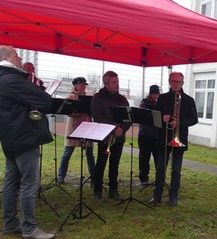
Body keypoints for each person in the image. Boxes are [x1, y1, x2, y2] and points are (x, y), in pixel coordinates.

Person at [0, 45, 55, 239]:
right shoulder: (12, 79)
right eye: (17, 55)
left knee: (11, 182)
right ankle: (29, 228)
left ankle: (10, 223)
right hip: (24, 135)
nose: (20, 59)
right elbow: (44, 101)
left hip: (10, 136)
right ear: (7, 58)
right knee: (29, 183)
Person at [149, 72, 198, 207]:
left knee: (176, 170)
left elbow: (194, 119)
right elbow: (155, 118)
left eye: (179, 82)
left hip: (180, 138)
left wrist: (179, 122)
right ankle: (157, 195)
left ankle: (173, 196)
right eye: (174, 81)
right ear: (169, 82)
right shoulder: (162, 98)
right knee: (160, 168)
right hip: (163, 138)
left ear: (182, 83)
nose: (176, 84)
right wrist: (162, 118)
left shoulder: (188, 100)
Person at [91, 71, 131, 201]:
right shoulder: (98, 97)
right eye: (114, 82)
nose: (117, 84)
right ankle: (97, 190)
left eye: (117, 82)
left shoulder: (122, 99)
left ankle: (113, 190)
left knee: (115, 164)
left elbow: (129, 118)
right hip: (104, 136)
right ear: (106, 83)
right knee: (101, 163)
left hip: (118, 137)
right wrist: (113, 128)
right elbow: (97, 116)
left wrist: (122, 129)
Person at [57, 77, 95, 184]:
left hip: (87, 128)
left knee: (89, 153)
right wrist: (83, 112)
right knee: (67, 152)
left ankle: (94, 175)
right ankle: (61, 175)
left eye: (84, 84)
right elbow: (69, 112)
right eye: (81, 84)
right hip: (74, 128)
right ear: (75, 86)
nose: (84, 86)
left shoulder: (88, 98)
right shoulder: (71, 97)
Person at [138, 84, 160, 186]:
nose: (156, 97)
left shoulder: (160, 104)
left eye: (157, 94)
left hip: (156, 135)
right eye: (154, 94)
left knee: (158, 158)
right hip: (145, 135)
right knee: (144, 158)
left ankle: (159, 178)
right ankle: (144, 179)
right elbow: (142, 115)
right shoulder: (144, 103)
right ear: (150, 94)